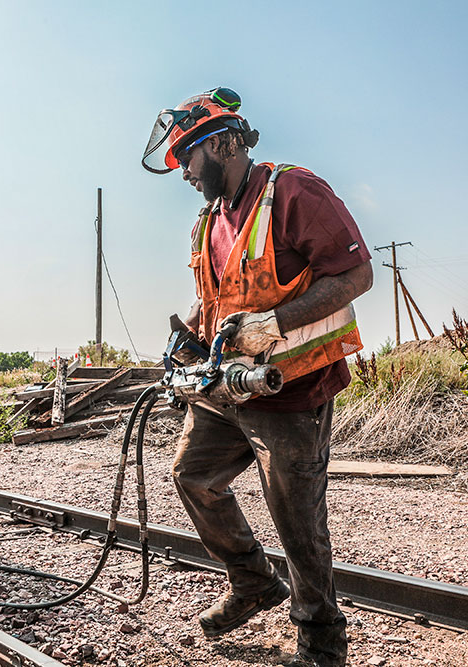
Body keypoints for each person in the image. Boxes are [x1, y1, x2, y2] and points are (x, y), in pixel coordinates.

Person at [142, 88, 373, 667]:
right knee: (193, 477)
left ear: (221, 144)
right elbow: (216, 299)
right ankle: (253, 582)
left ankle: (322, 646)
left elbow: (357, 274)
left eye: (189, 161)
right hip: (225, 388)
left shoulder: (292, 191)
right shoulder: (208, 221)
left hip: (290, 390)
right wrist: (188, 329)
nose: (187, 176)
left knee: (297, 524)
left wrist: (273, 322)